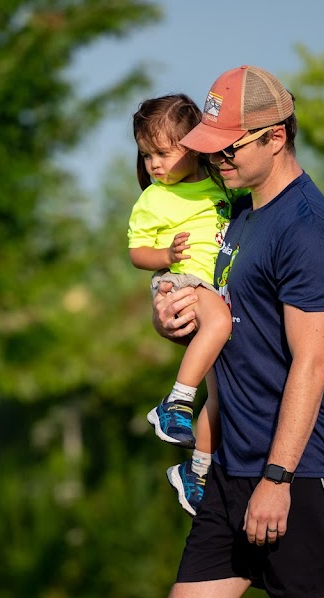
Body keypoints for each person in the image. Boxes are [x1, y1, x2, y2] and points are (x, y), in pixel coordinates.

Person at [152, 65, 324, 598]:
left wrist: (278, 477)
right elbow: (221, 312)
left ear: (275, 137)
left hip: (303, 465)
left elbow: (315, 360)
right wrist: (170, 310)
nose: (215, 156)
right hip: (236, 461)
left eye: (230, 144)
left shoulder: (306, 230)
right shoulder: (242, 215)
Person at [127, 94, 237, 516]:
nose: (154, 164)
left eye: (163, 153)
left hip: (214, 287)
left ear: (192, 146)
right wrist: (167, 257)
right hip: (181, 283)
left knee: (224, 397)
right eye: (146, 155)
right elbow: (138, 253)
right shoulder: (153, 199)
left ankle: (195, 471)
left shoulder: (219, 188)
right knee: (219, 322)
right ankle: (174, 403)